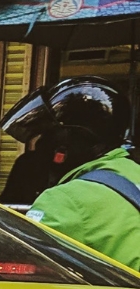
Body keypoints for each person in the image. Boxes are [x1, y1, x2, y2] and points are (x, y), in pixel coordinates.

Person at [17, 78, 140, 270]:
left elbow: (25, 264)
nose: (40, 146)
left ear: (67, 140)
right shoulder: (134, 173)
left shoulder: (65, 200)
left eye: (46, 135)